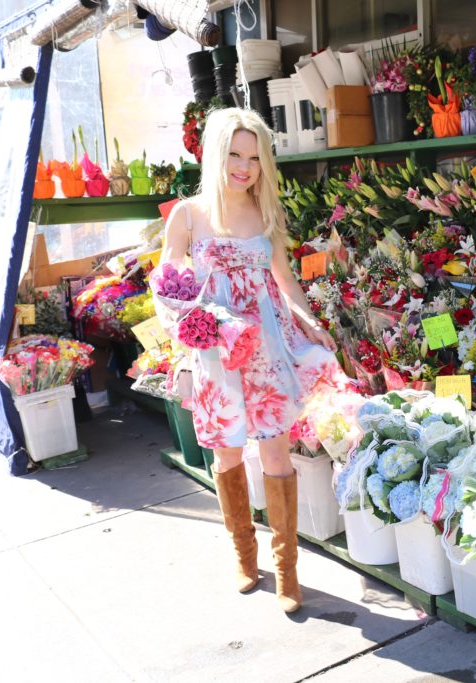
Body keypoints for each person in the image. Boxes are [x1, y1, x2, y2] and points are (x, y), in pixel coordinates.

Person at [159, 108, 338, 613]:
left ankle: (287, 572)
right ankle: (244, 556)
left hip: (268, 348)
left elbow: (285, 281)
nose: (244, 167)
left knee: (278, 456)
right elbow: (170, 287)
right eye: (235, 154)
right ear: (216, 153)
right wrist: (187, 333)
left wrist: (308, 319)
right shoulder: (188, 215)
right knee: (228, 454)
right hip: (217, 350)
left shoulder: (265, 213)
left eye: (254, 158)